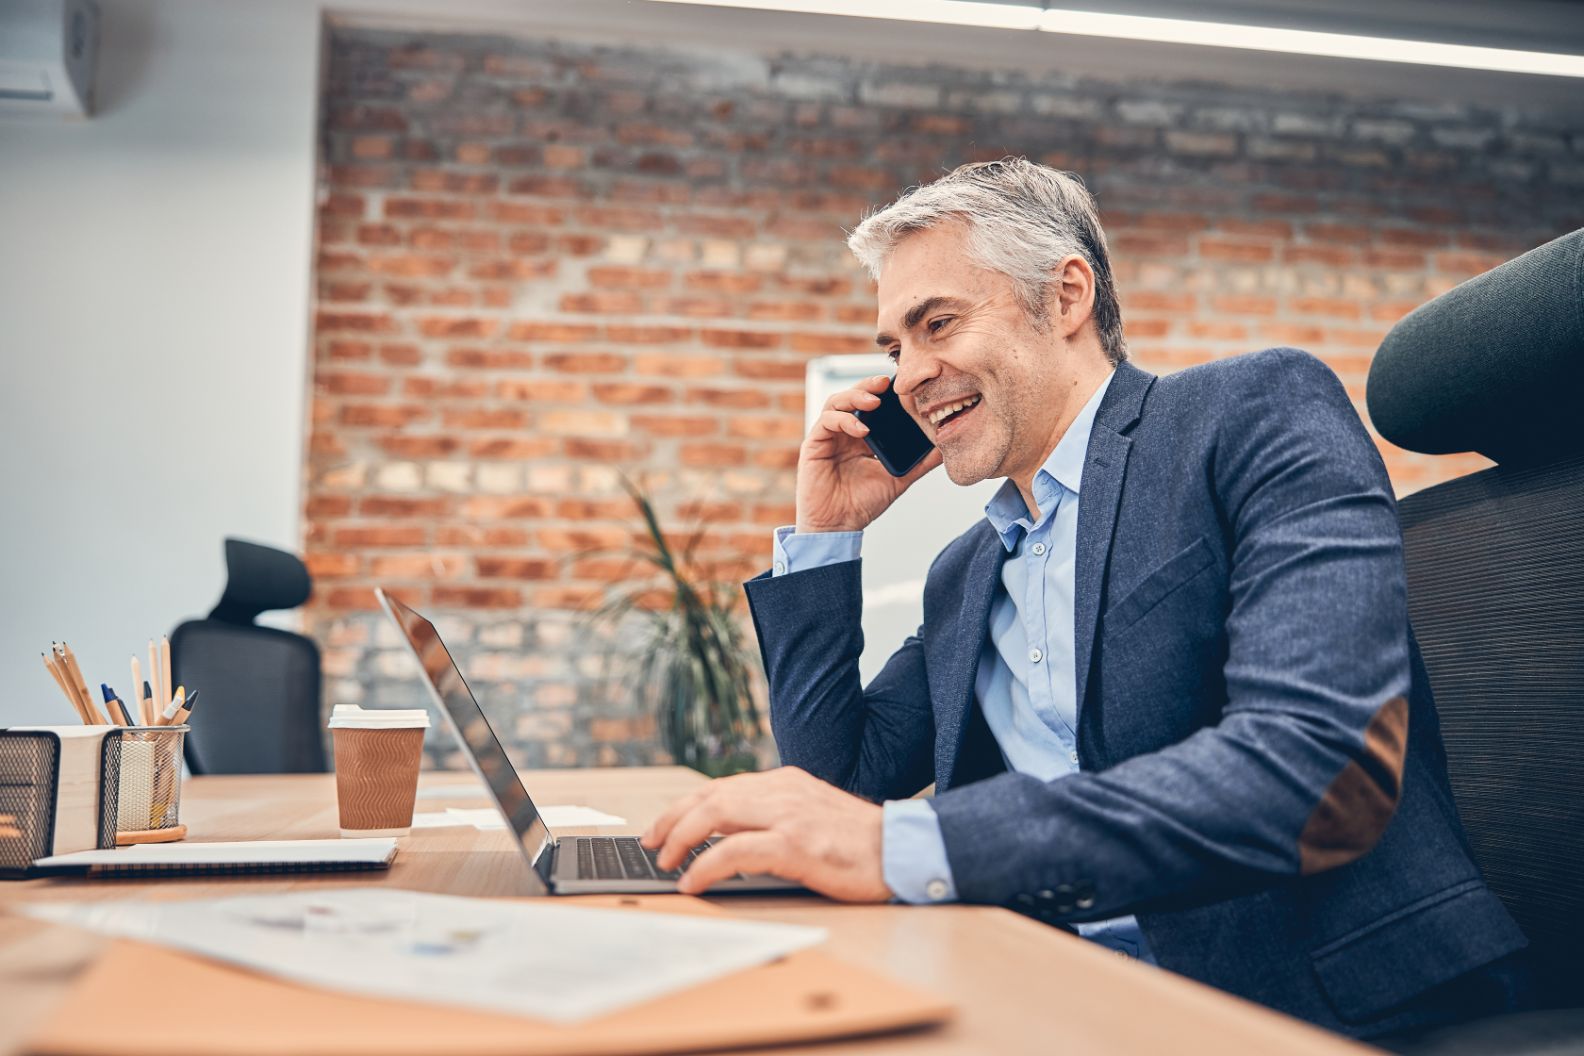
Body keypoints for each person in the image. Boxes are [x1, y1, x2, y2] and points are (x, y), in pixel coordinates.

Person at [641, 158, 1531, 1039]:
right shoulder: (967, 571)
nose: (910, 374)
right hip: (1048, 982)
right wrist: (828, 535)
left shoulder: (1246, 414)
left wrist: (923, 847)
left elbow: (1312, 767)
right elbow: (836, 786)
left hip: (1307, 999)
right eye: (893, 348)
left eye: (937, 323)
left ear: (1067, 297)